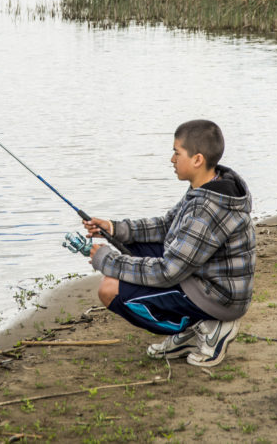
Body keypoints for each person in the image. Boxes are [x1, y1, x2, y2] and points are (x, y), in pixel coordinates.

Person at [84, 119, 254, 367]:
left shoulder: (209, 207)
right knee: (131, 249)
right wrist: (114, 228)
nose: (172, 159)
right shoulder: (209, 186)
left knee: (109, 290)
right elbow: (167, 226)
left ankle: (204, 325)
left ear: (197, 159)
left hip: (218, 298)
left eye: (176, 153)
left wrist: (107, 261)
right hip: (201, 277)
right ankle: (193, 328)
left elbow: (167, 272)